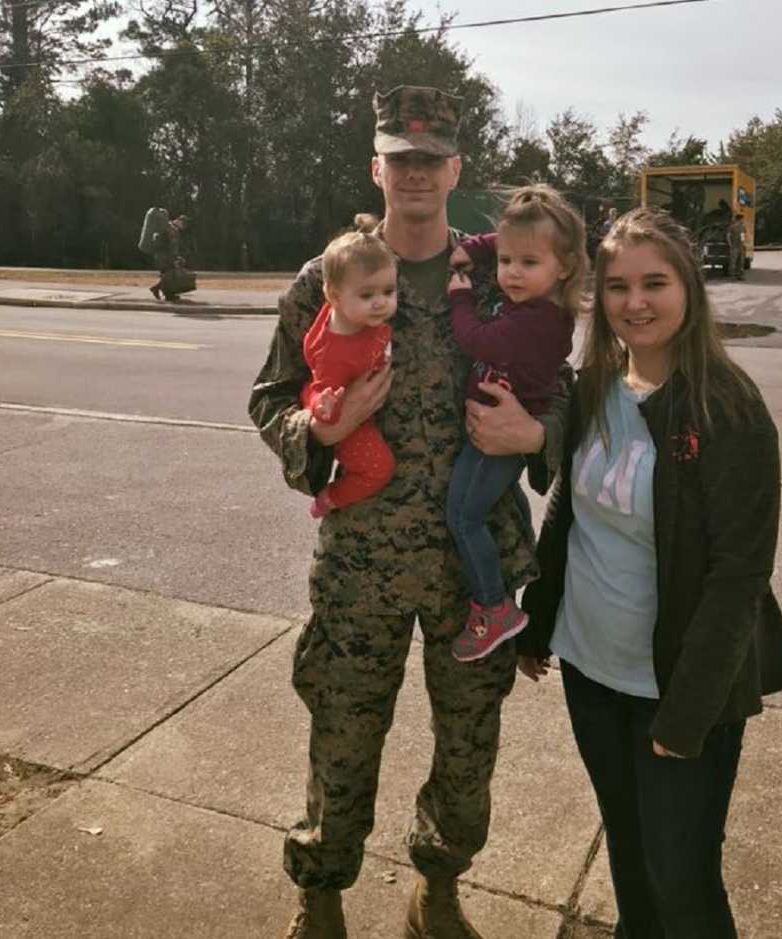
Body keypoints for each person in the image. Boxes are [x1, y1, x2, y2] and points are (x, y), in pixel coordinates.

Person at [248, 85, 570, 939]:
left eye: (433, 159)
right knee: (343, 735)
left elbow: (565, 389)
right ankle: (320, 892)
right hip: (363, 561)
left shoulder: (501, 274)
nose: (417, 172)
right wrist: (323, 428)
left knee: (468, 748)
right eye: (401, 158)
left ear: (456, 168)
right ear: (376, 167)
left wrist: (537, 431)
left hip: (479, 567)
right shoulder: (330, 277)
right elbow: (270, 397)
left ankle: (439, 882)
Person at [517, 207, 782, 939]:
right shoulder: (592, 388)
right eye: (616, 286)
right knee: (632, 857)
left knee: (683, 879)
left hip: (676, 687)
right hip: (592, 671)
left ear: (689, 289)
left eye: (654, 282)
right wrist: (536, 621)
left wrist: (687, 711)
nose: (634, 302)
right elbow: (565, 515)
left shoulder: (728, 407)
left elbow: (739, 574)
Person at [445, 185, 587, 662]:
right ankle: (492, 601)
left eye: (528, 263)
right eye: (506, 261)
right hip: (487, 432)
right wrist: (477, 247)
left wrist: (460, 298)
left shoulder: (540, 320)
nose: (511, 273)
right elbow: (502, 240)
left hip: (497, 440)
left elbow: (476, 340)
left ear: (563, 267)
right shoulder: (530, 299)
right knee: (468, 511)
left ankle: (493, 605)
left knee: (464, 517)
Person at [300, 216, 397, 519]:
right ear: (334, 297)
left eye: (388, 292)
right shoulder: (335, 352)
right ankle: (329, 499)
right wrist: (325, 408)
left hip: (364, 401)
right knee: (379, 468)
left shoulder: (359, 317)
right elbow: (318, 390)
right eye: (367, 295)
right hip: (347, 417)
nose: (381, 303)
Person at [150, 214, 190, 301]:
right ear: (179, 221)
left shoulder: (168, 226)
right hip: (165, 256)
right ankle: (157, 289)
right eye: (183, 224)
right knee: (170, 275)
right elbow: (172, 246)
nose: (183, 227)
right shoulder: (172, 229)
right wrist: (176, 258)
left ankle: (167, 295)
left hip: (161, 255)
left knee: (167, 274)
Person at [728, 211, 746, 279]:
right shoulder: (732, 227)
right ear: (739, 219)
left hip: (740, 246)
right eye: (742, 219)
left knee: (741, 262)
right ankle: (733, 275)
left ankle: (740, 275)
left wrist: (743, 244)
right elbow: (728, 236)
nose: (743, 220)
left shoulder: (742, 227)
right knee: (733, 261)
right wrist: (730, 244)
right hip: (734, 246)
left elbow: (742, 236)